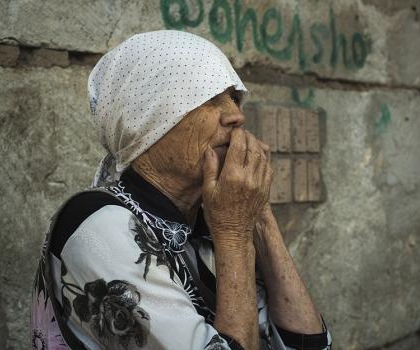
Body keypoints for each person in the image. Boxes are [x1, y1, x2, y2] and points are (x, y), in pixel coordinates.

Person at [30, 30, 331, 350]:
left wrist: (259, 217)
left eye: (234, 98)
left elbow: (311, 346)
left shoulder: (211, 220)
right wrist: (233, 233)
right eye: (211, 98)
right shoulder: (98, 226)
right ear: (146, 120)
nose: (236, 115)